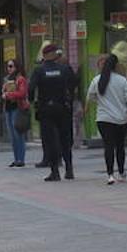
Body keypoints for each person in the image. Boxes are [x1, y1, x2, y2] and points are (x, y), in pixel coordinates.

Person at [29, 42, 78, 181]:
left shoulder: (39, 70)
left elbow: (31, 88)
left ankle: (55, 171)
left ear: (44, 55)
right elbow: (74, 83)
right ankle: (69, 169)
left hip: (46, 109)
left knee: (50, 140)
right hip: (63, 107)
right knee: (65, 139)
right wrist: (69, 99)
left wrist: (32, 101)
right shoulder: (64, 69)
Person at [86, 53, 127, 184]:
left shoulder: (97, 80)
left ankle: (110, 175)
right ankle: (121, 172)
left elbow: (90, 97)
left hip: (103, 118)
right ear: (116, 65)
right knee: (120, 146)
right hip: (120, 119)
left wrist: (86, 110)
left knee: (108, 146)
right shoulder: (122, 80)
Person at [2, 59, 29, 167]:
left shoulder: (20, 79)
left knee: (18, 134)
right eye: (8, 66)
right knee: (12, 136)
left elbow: (22, 93)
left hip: (17, 108)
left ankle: (21, 159)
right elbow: (3, 91)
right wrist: (3, 93)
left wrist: (9, 95)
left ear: (16, 67)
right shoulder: (6, 79)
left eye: (11, 66)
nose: (9, 69)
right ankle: (16, 158)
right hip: (8, 108)